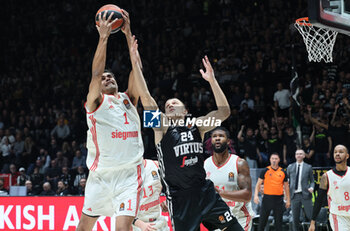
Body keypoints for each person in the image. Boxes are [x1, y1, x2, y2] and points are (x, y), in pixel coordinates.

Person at [138, 54, 242, 230]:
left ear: (186, 110)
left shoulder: (197, 125)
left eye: (175, 102)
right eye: (167, 104)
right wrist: (136, 65)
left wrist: (212, 81)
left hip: (205, 192)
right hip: (180, 198)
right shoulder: (161, 127)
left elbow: (224, 113)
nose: (170, 105)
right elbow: (146, 98)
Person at [76, 11, 145, 231]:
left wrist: (127, 34)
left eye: (111, 76)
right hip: (101, 175)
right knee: (84, 226)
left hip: (129, 175)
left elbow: (138, 72)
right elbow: (96, 75)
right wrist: (103, 37)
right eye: (105, 78)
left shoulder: (129, 99)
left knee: (123, 228)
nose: (108, 78)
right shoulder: (95, 102)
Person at [204, 127, 255, 231]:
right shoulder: (205, 164)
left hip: (239, 217)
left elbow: (247, 195)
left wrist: (220, 193)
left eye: (221, 136)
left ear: (228, 142)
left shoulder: (239, 163)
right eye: (214, 136)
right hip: (218, 218)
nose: (217, 138)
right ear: (211, 141)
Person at [308, 145, 350, 231]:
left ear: (347, 156)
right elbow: (319, 200)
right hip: (339, 217)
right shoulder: (326, 176)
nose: (337, 154)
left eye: (341, 152)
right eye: (335, 152)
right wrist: (313, 221)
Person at [254, 153, 290, 231]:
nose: (274, 160)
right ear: (270, 160)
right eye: (272, 158)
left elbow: (287, 187)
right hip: (267, 199)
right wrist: (256, 195)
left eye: (276, 159)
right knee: (262, 222)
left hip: (279, 200)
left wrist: (288, 200)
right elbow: (258, 184)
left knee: (278, 224)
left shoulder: (283, 171)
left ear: (279, 160)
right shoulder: (265, 170)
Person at [132, 159, 169, 231]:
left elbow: (174, 185)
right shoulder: (124, 174)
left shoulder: (156, 165)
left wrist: (168, 201)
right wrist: (140, 224)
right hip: (138, 226)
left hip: (160, 223)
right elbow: (118, 208)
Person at [287, 149, 314, 231]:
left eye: (300, 154)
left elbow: (312, 181)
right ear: (295, 156)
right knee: (295, 218)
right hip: (294, 195)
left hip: (305, 194)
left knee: (310, 216)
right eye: (297, 154)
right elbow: (287, 180)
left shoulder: (308, 167)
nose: (298, 155)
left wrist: (312, 187)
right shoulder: (290, 167)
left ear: (304, 156)